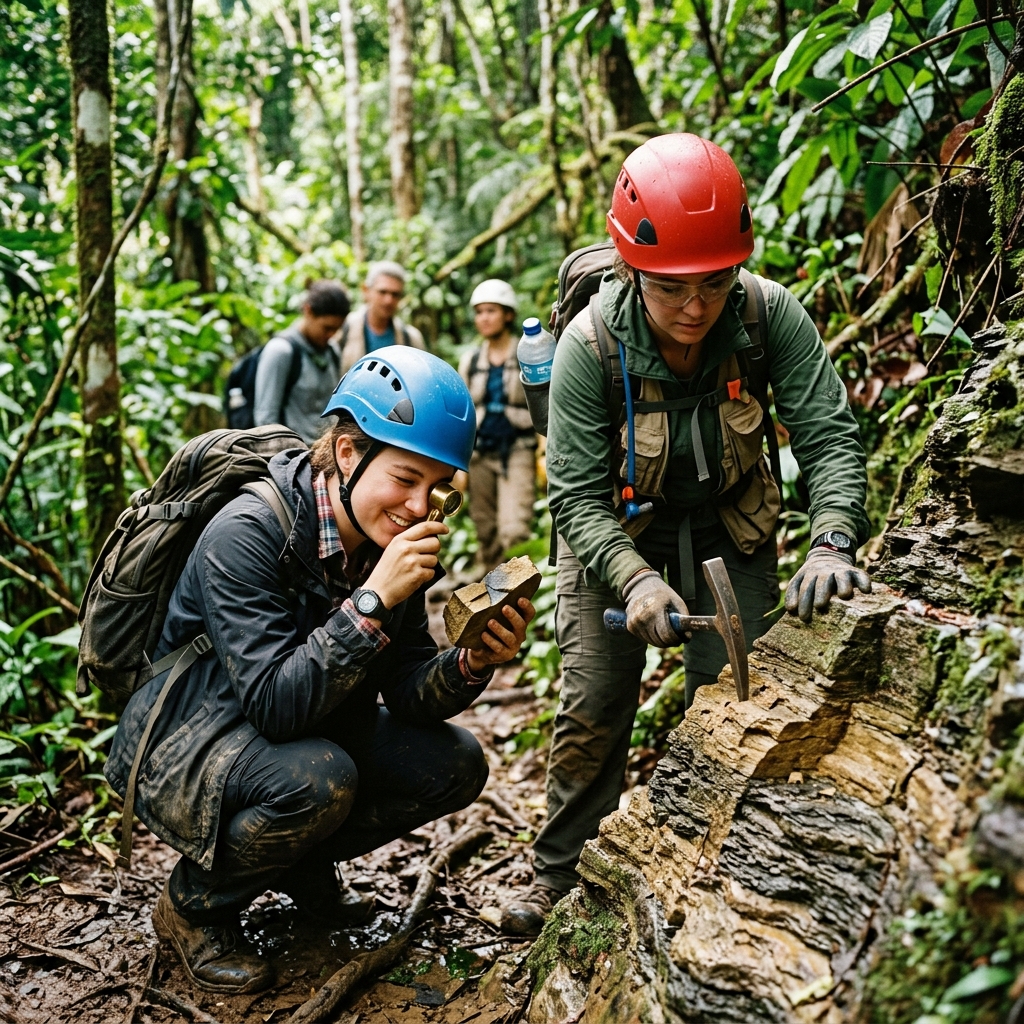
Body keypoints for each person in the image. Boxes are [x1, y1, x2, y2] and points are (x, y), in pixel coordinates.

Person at [500, 133, 872, 935]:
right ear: (631, 267)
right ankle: (558, 875)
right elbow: (575, 495)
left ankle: (716, 868)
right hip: (614, 533)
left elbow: (828, 435)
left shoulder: (769, 315)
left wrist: (833, 538)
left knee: (737, 701)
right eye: (672, 288)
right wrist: (634, 580)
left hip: (730, 528)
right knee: (594, 704)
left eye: (715, 282)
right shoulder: (588, 346)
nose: (696, 308)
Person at [104, 348, 535, 993]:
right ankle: (192, 906)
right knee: (319, 780)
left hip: (290, 726)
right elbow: (276, 705)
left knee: (456, 762)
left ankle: (299, 867)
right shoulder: (248, 531)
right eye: (404, 478)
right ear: (345, 453)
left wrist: (470, 663)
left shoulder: (387, 541)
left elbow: (407, 689)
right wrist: (372, 601)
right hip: (190, 738)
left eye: (437, 487)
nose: (419, 506)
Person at [458, 279, 537, 573]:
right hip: (479, 453)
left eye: (491, 311)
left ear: (508, 314)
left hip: (517, 448)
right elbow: (461, 411)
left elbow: (545, 403)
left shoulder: (528, 353)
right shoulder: (471, 360)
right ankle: (493, 590)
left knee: (514, 529)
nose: (484, 318)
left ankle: (519, 587)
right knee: (485, 530)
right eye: (479, 312)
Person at [253, 279, 350, 445]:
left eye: (336, 329)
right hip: (292, 453)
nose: (331, 335)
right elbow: (265, 419)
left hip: (324, 452)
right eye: (327, 328)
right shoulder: (280, 351)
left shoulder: (332, 350)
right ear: (308, 311)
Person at [339, 261, 426, 372]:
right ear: (366, 290)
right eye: (382, 292)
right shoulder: (344, 328)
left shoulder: (411, 338)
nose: (388, 300)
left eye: (395, 294)